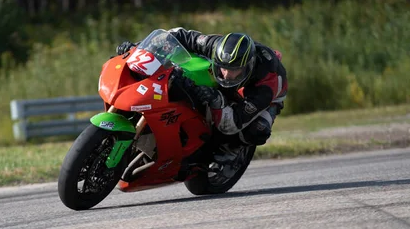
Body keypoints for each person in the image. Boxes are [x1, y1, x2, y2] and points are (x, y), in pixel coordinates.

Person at [116, 28, 288, 177]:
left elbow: (234, 122)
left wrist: (216, 99)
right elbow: (177, 35)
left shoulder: (266, 85)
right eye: (223, 67)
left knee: (257, 130)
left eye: (234, 70)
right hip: (238, 82)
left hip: (263, 97)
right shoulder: (214, 45)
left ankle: (231, 152)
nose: (226, 74)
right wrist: (139, 48)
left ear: (248, 66)